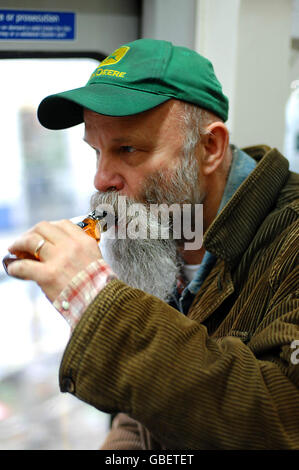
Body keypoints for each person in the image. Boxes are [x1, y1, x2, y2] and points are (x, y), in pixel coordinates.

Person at [6, 38, 299, 450]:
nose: (101, 179)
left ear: (209, 148)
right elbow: (159, 392)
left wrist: (97, 300)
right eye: (97, 152)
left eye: (127, 149)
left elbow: (278, 418)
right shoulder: (165, 222)